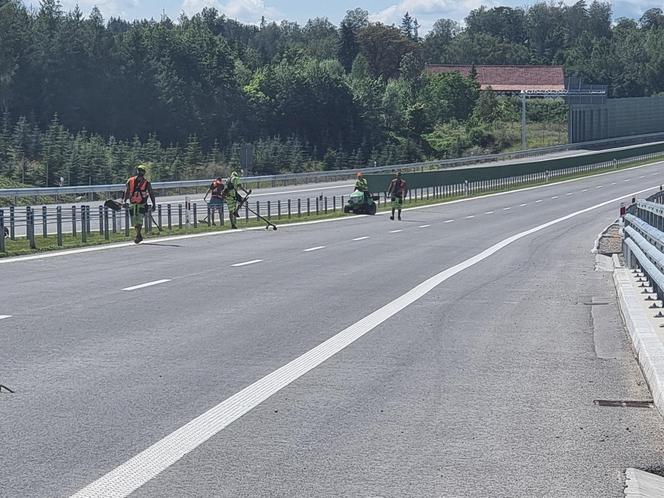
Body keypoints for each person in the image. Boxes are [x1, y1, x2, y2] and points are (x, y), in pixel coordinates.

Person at [123, 165, 156, 244]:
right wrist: (124, 201)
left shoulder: (147, 183)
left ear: (144, 172)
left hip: (142, 204)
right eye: (139, 170)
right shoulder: (130, 181)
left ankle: (138, 236)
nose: (140, 172)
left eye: (142, 170)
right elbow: (127, 192)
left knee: (139, 220)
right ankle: (139, 235)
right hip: (132, 204)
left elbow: (151, 193)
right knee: (134, 221)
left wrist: (154, 204)